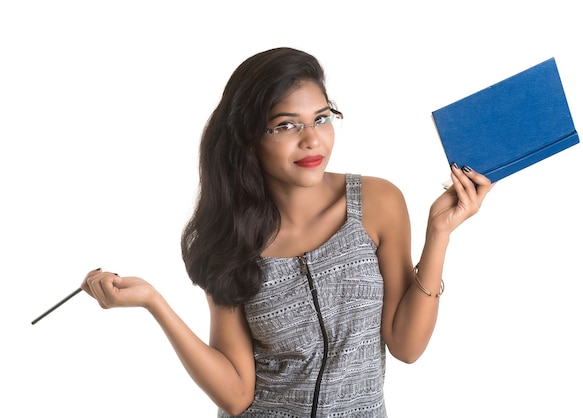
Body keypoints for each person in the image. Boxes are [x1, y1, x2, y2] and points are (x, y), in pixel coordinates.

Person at [81, 47, 493, 417]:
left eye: (321, 118)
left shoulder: (377, 203)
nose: (313, 140)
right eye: (286, 125)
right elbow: (237, 395)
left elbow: (406, 345)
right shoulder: (228, 237)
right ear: (249, 139)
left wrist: (439, 236)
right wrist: (155, 303)